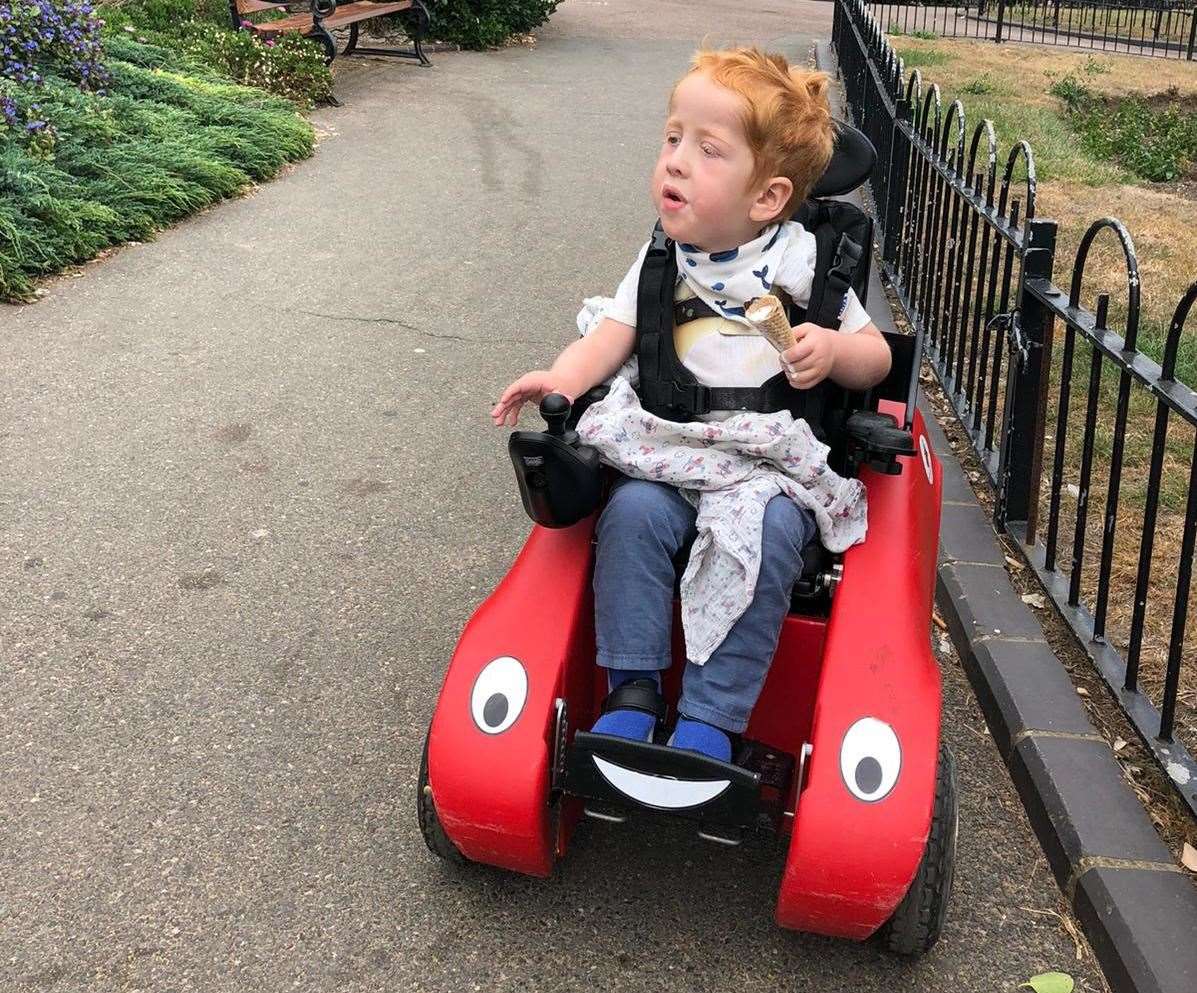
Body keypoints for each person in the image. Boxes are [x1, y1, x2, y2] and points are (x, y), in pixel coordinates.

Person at [491, 46, 892, 762]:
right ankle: (632, 691)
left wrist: (831, 351)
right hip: (672, 443)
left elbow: (877, 358)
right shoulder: (657, 261)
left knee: (766, 534)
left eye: (706, 151)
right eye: (671, 138)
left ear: (765, 197)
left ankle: (711, 717)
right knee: (633, 513)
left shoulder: (801, 260)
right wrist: (557, 380)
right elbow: (611, 337)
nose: (674, 161)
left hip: (763, 462)